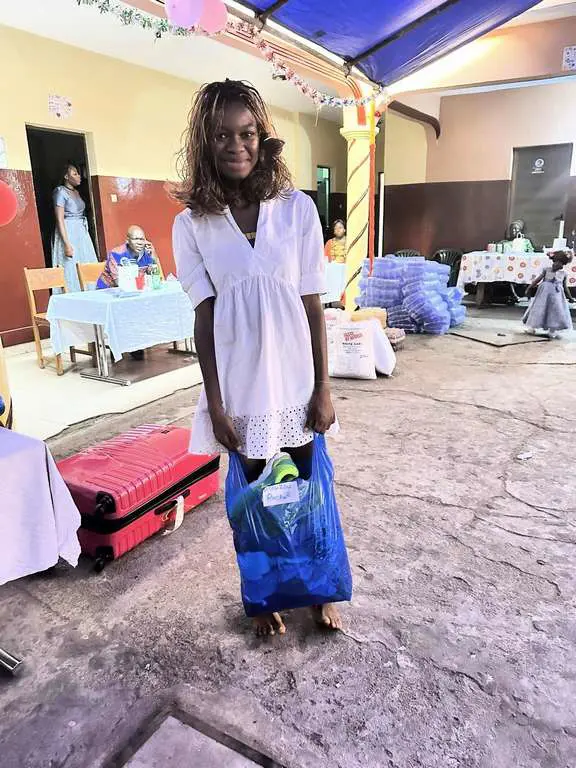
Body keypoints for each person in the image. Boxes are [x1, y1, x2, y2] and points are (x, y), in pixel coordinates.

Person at [173, 80, 342, 637]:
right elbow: (204, 320)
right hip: (241, 393)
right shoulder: (191, 223)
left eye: (246, 133)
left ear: (261, 137)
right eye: (222, 135)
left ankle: (319, 593)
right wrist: (216, 405)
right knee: (257, 504)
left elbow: (313, 304)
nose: (236, 146)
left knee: (308, 495)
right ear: (205, 142)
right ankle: (267, 595)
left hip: (294, 385)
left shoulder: (296, 210)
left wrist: (323, 386)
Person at [52, 163, 98, 292]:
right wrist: (66, 244)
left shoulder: (77, 192)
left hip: (81, 231)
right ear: (66, 176)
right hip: (69, 231)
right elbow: (60, 219)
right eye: (75, 174)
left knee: (85, 260)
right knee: (70, 264)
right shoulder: (60, 192)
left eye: (78, 173)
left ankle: (88, 290)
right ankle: (72, 292)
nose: (79, 176)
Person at [523, 251, 574, 338]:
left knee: (555, 311)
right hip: (544, 294)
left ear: (564, 264)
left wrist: (570, 297)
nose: (557, 264)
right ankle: (532, 327)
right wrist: (529, 287)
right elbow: (538, 279)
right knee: (539, 309)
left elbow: (565, 286)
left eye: (560, 262)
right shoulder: (547, 270)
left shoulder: (564, 273)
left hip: (556, 296)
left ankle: (552, 330)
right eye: (556, 261)